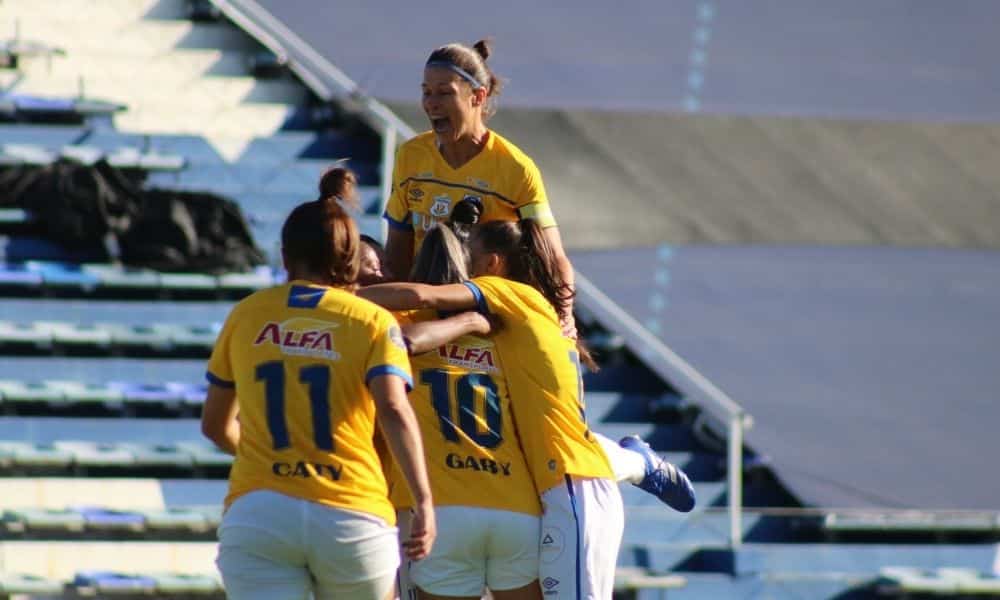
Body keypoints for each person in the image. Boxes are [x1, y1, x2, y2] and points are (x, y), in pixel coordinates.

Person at [362, 219, 695, 600]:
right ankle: (636, 462)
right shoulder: (511, 326)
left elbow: (419, 304)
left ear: (493, 264)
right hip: (527, 498)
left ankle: (637, 462)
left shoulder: (500, 298)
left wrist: (334, 294)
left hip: (545, 487)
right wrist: (472, 320)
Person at [201, 196, 436, 600]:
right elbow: (394, 409)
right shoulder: (371, 320)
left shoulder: (247, 314)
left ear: (285, 253)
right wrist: (423, 500)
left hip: (260, 513)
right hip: (351, 513)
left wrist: (268, 460)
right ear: (349, 256)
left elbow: (216, 426)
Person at [389, 223, 543, 600]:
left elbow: (404, 343)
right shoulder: (502, 330)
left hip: (445, 512)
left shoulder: (399, 321)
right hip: (516, 507)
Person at [382, 39, 577, 332]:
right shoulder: (411, 156)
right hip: (424, 313)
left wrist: (565, 317)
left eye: (445, 93)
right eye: (426, 92)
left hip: (490, 320)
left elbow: (553, 256)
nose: (431, 103)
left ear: (477, 96)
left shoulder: (515, 168)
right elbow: (398, 245)